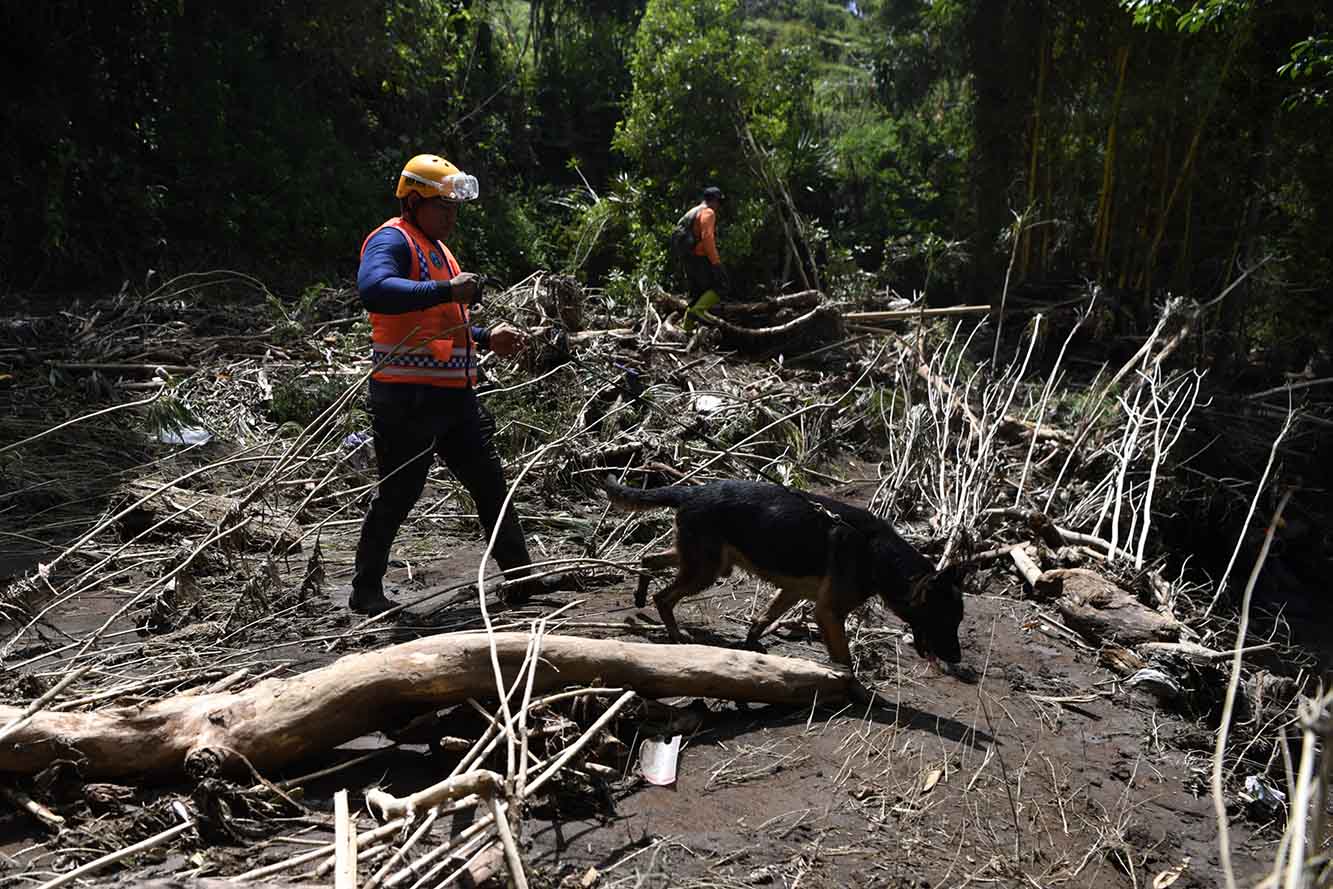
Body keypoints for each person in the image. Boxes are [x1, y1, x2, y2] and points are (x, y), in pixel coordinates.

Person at [348, 153, 559, 615]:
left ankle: (521, 578)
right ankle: (366, 590)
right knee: (400, 492)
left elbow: (439, 323)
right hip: (408, 398)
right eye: (443, 207)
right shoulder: (393, 239)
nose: (451, 216)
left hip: (453, 396)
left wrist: (485, 337)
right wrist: (449, 291)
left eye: (454, 208)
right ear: (414, 201)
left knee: (489, 483)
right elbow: (374, 289)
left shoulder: (438, 250)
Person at [680, 186, 729, 330]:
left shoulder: (694, 211)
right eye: (719, 202)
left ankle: (686, 331)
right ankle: (697, 312)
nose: (719, 206)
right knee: (722, 286)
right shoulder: (708, 213)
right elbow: (707, 238)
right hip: (700, 259)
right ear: (713, 201)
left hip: (689, 259)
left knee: (697, 295)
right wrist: (716, 263)